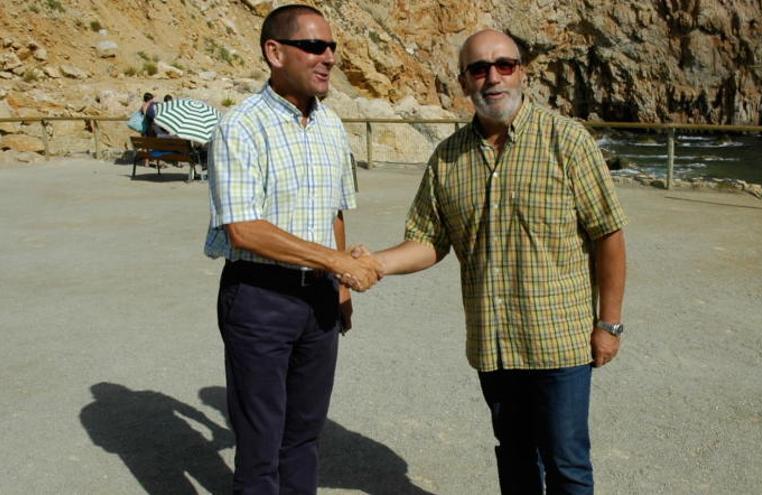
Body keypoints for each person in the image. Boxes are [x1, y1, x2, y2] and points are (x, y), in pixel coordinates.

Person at [355, 29, 628, 494]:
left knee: (567, 463)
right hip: (494, 345)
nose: (493, 78)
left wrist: (610, 325)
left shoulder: (568, 142)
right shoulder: (447, 159)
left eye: (504, 65)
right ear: (463, 82)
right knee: (515, 457)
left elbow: (609, 235)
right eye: (479, 69)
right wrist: (374, 263)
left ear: (522, 71)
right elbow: (427, 240)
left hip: (559, 342)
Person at [203, 4, 381, 494]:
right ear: (275, 52)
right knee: (261, 445)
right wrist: (337, 262)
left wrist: (340, 287)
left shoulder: (331, 125)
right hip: (260, 297)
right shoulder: (240, 127)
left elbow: (335, 213)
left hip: (320, 299)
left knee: (304, 436)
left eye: (332, 48)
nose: (328, 58)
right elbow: (243, 229)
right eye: (314, 46)